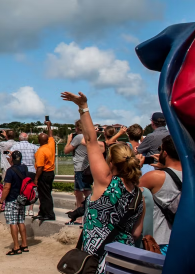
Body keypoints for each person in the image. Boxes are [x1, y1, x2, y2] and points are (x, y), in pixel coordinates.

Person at [62, 91, 144, 273]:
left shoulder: (105, 183)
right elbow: (136, 233)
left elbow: (91, 140)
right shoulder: (139, 194)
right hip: (125, 260)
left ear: (111, 162)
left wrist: (83, 107)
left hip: (97, 258)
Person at [138, 135, 182, 255]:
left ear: (166, 153)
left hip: (160, 241)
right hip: (183, 239)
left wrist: (137, 168)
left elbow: (129, 192)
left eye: (160, 149)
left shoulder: (155, 177)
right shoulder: (190, 175)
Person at [0, 150, 29, 255]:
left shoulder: (10, 171)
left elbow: (7, 187)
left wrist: (1, 201)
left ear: (11, 159)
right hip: (22, 198)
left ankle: (16, 246)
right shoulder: (25, 168)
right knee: (21, 221)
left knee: (13, 222)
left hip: (12, 198)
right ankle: (24, 244)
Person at [64, 119, 91, 225]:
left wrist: (69, 140)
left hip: (80, 168)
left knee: (84, 192)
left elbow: (66, 150)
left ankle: (81, 217)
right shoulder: (88, 137)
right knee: (79, 192)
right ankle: (79, 214)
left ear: (78, 128)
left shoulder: (79, 137)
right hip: (85, 168)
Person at [11, 132, 38, 216]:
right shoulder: (34, 147)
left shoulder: (15, 146)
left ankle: (22, 207)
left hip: (20, 170)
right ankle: (31, 209)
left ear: (19, 139)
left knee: (21, 189)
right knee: (31, 189)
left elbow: (10, 157)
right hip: (32, 170)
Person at [33, 120, 56, 221]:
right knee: (45, 194)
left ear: (39, 141)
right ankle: (42, 212)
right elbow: (51, 137)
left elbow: (40, 167)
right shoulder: (50, 145)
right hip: (51, 173)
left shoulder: (41, 151)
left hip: (44, 174)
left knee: (45, 195)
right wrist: (49, 126)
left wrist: (36, 178)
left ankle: (49, 214)